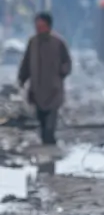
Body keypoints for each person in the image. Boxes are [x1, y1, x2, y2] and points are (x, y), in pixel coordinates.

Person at [18, 12, 72, 146]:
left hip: (53, 88)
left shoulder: (58, 43)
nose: (39, 29)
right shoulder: (33, 43)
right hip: (37, 88)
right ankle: (45, 141)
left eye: (42, 26)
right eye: (37, 26)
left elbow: (67, 62)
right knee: (41, 117)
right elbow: (26, 62)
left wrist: (62, 72)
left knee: (51, 118)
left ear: (48, 26)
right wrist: (22, 78)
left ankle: (50, 140)